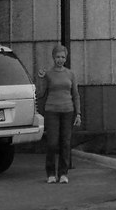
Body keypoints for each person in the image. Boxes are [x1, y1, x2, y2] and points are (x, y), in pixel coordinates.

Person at [36, 43, 81, 184]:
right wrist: (41, 78)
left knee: (65, 143)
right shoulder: (48, 73)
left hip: (68, 111)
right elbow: (41, 93)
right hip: (52, 111)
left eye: (62, 57)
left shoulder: (70, 74)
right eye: (57, 57)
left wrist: (78, 113)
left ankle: (63, 173)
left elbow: (76, 95)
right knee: (52, 143)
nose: (60, 59)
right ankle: (50, 173)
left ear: (66, 58)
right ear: (53, 57)